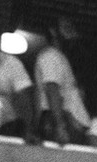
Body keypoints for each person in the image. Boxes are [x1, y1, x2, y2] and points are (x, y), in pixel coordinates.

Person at [34, 16, 90, 145]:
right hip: (60, 123)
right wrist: (60, 126)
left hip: (64, 122)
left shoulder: (59, 57)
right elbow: (51, 89)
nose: (71, 33)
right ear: (53, 31)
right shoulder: (51, 56)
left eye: (72, 28)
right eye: (66, 28)